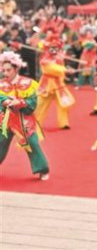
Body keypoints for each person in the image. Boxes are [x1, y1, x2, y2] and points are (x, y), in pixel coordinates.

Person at [0, 51, 49, 180]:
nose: (5, 73)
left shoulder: (29, 83)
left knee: (32, 143)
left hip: (24, 120)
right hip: (5, 120)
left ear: (16, 68)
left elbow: (33, 102)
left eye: (8, 70)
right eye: (3, 70)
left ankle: (42, 169)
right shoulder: (1, 84)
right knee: (0, 142)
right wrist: (5, 101)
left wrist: (21, 102)